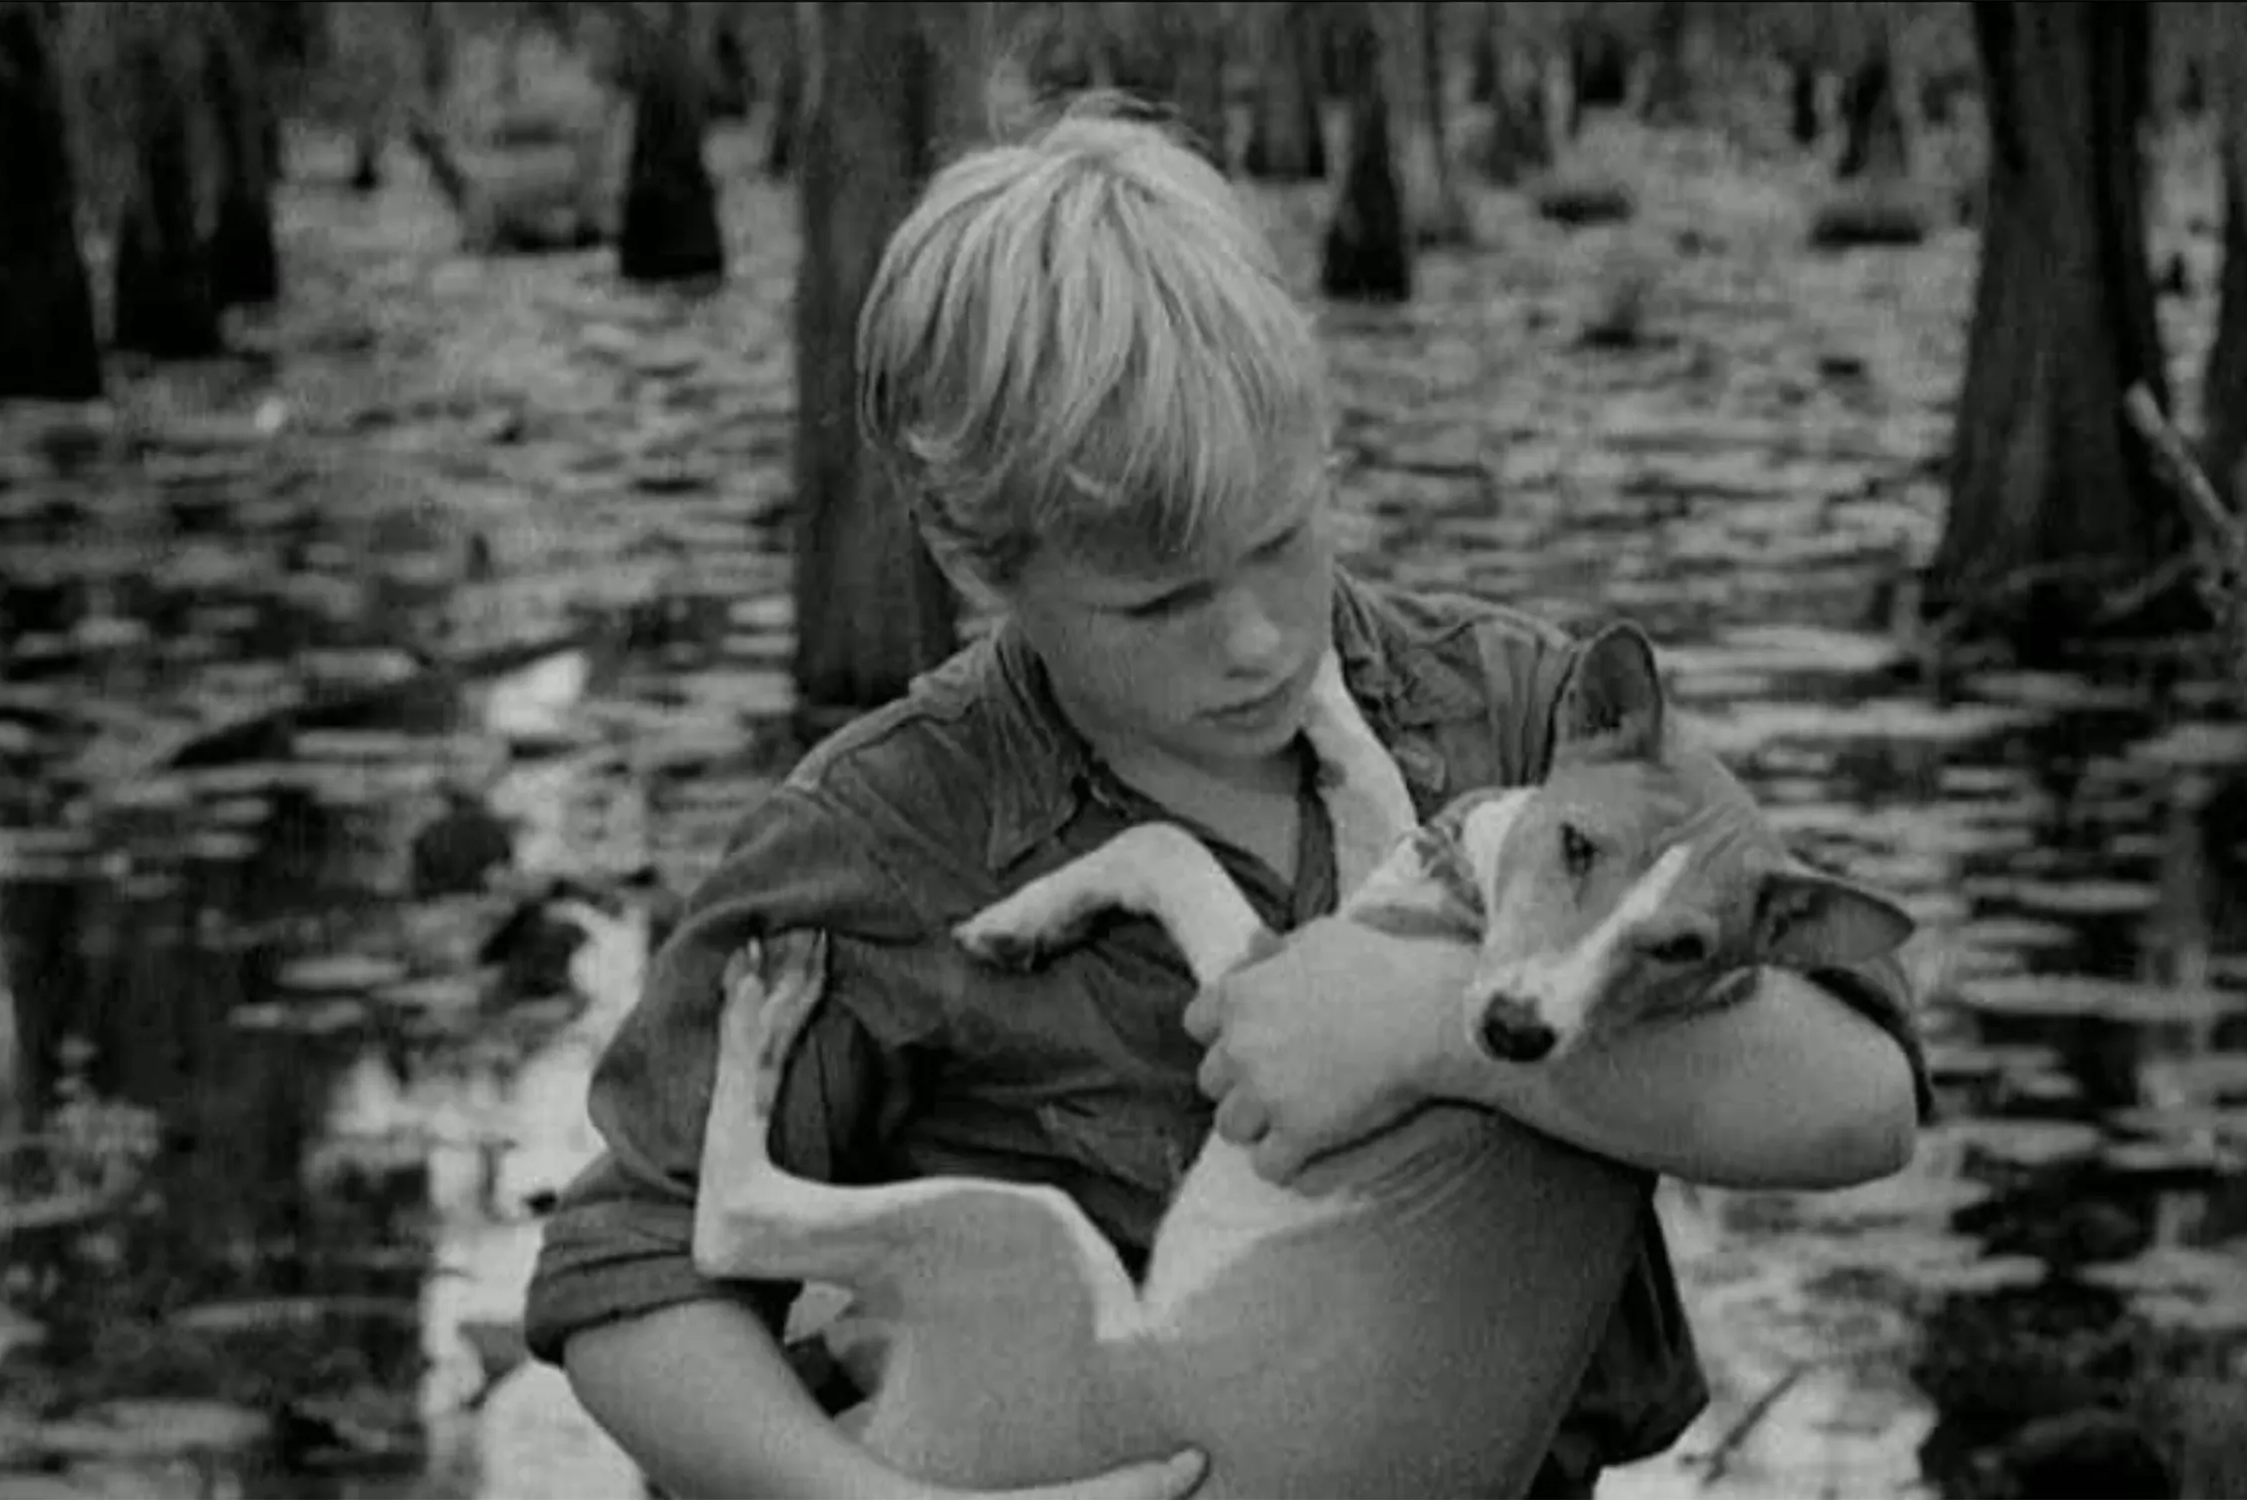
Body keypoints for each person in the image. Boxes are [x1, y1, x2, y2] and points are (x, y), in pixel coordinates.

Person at [522, 91, 1931, 1500]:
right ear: (977, 565)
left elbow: (1860, 1102)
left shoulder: (1529, 717)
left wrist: (1425, 1031)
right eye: (1160, 602)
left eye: (1281, 538)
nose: (1256, 638)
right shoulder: (874, 842)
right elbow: (625, 1275)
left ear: (1321, 443)